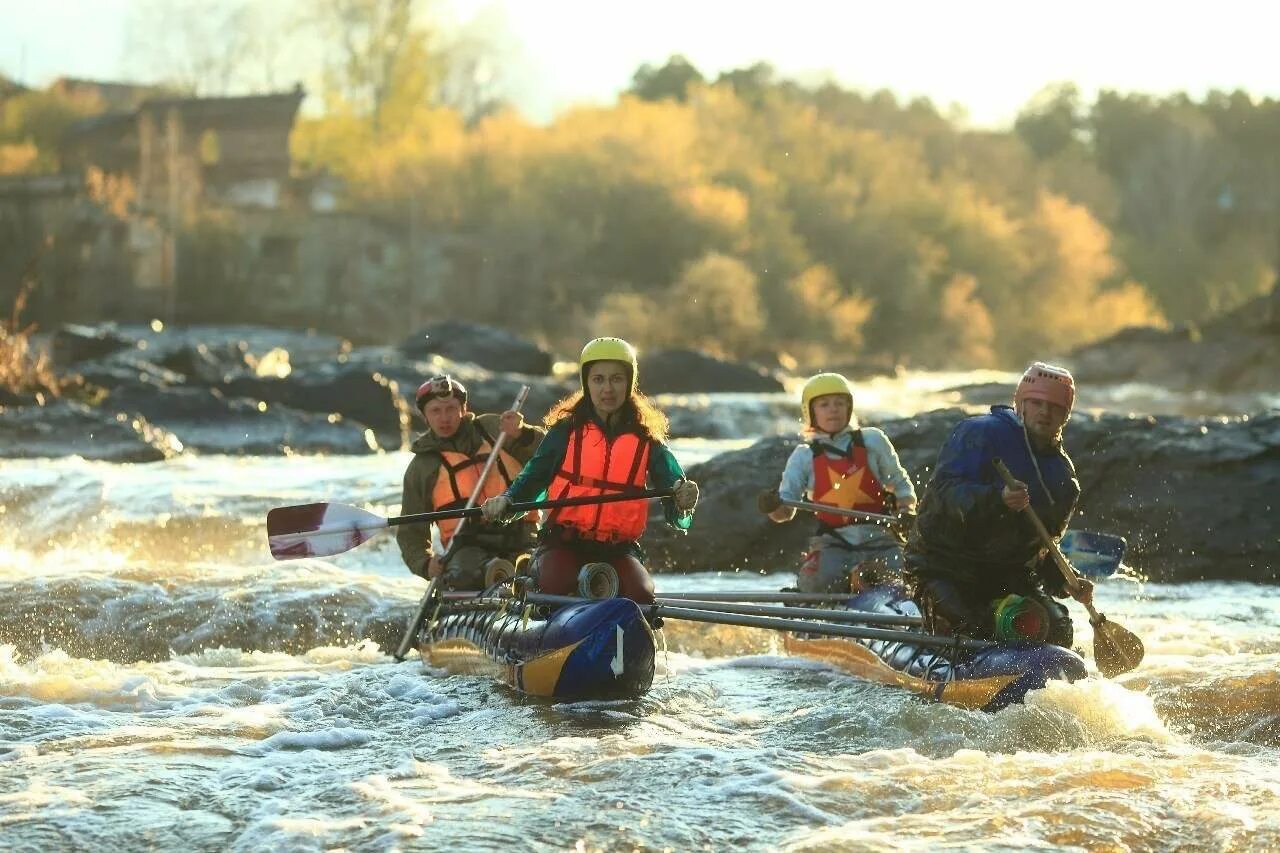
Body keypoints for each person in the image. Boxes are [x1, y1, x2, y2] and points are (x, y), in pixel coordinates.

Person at [480, 337, 699, 605]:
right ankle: (532, 576)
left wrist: (683, 501)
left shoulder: (647, 440)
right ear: (586, 383)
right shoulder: (565, 432)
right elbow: (533, 479)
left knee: (641, 595)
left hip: (618, 548)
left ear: (629, 383)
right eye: (598, 379)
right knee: (555, 587)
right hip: (563, 541)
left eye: (617, 379)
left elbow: (676, 501)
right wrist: (507, 500)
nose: (608, 388)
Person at [905, 362, 1095, 646]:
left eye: (1054, 407)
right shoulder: (979, 433)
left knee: (1058, 629)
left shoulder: (1063, 479)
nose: (1045, 412)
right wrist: (997, 499)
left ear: (1065, 416)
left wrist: (1065, 581)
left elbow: (1040, 549)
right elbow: (941, 497)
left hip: (1007, 575)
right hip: (944, 568)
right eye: (1037, 403)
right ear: (1021, 404)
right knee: (974, 625)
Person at [758, 372, 917, 593]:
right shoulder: (804, 456)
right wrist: (772, 506)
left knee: (911, 581)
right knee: (819, 582)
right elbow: (785, 513)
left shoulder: (873, 440)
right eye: (824, 404)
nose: (833, 409)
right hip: (833, 543)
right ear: (811, 412)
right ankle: (808, 602)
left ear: (849, 408)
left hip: (880, 538)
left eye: (840, 403)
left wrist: (906, 511)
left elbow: (900, 484)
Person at [397, 374, 544, 590]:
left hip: (523, 538)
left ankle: (519, 576)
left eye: (450, 409)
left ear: (463, 408)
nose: (444, 418)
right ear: (425, 416)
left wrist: (524, 434)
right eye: (436, 411)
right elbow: (411, 532)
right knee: (465, 573)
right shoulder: (422, 468)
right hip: (468, 550)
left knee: (542, 568)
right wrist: (425, 564)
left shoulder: (496, 430)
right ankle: (498, 576)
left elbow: (549, 455)